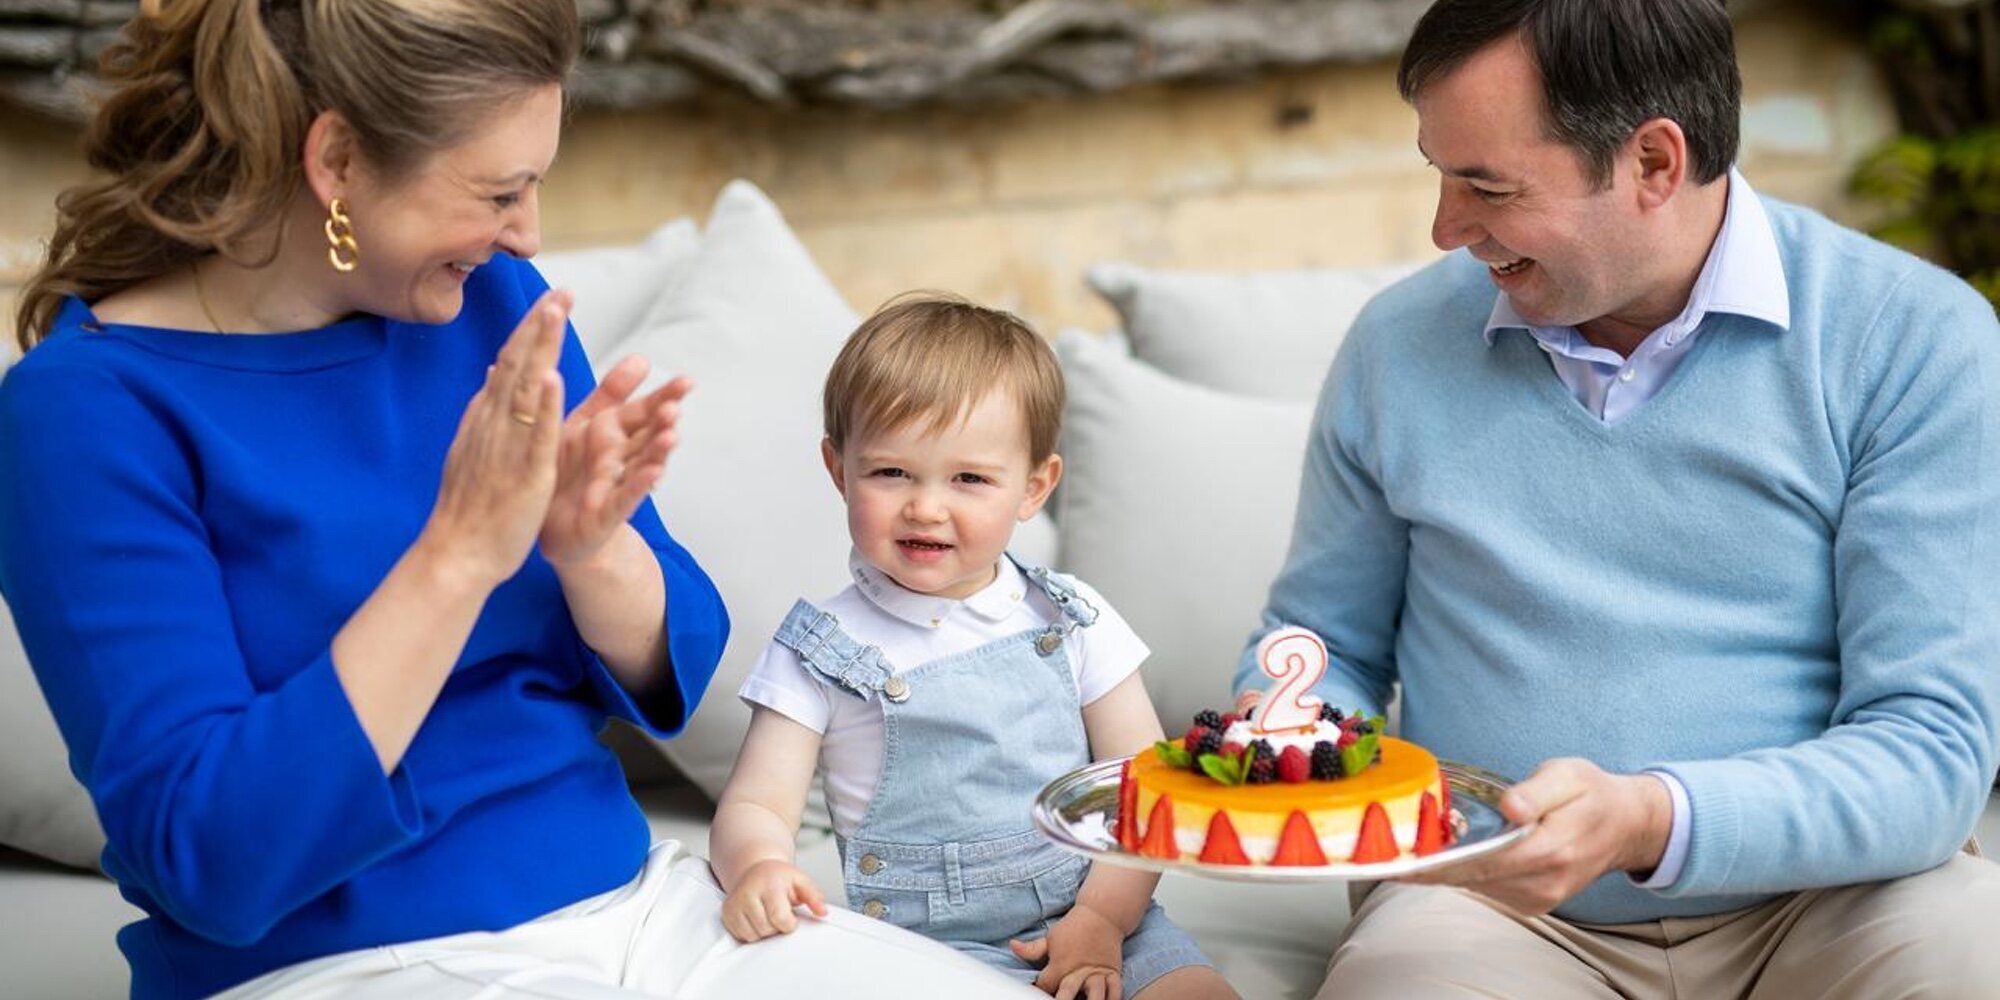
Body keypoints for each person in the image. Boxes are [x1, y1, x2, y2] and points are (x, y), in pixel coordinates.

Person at [0, 3, 1052, 998]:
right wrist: (457, 555)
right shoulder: (88, 410)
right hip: (345, 961)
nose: (525, 234)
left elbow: (680, 655)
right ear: (337, 162)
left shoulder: (482, 303)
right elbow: (213, 860)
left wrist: (587, 546)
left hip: (635, 907)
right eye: (499, 192)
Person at [1232, 0, 2000, 996]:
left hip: (1834, 901)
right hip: (1489, 912)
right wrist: (1282, 721)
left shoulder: (1910, 339)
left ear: (1651, 163)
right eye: (1439, 174)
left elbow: (1928, 748)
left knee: (1968, 950)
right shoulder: (1394, 347)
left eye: (1486, 186)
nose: (1444, 228)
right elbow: (1320, 641)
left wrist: (1650, 818)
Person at [711, 295, 1237, 1000]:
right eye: (891, 472)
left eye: (969, 479)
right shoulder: (820, 651)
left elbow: (1145, 793)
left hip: (1109, 919)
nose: (927, 506)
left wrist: (1103, 921)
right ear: (839, 470)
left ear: (1034, 487)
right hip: (924, 954)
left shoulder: (1073, 619)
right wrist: (756, 868)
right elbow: (756, 808)